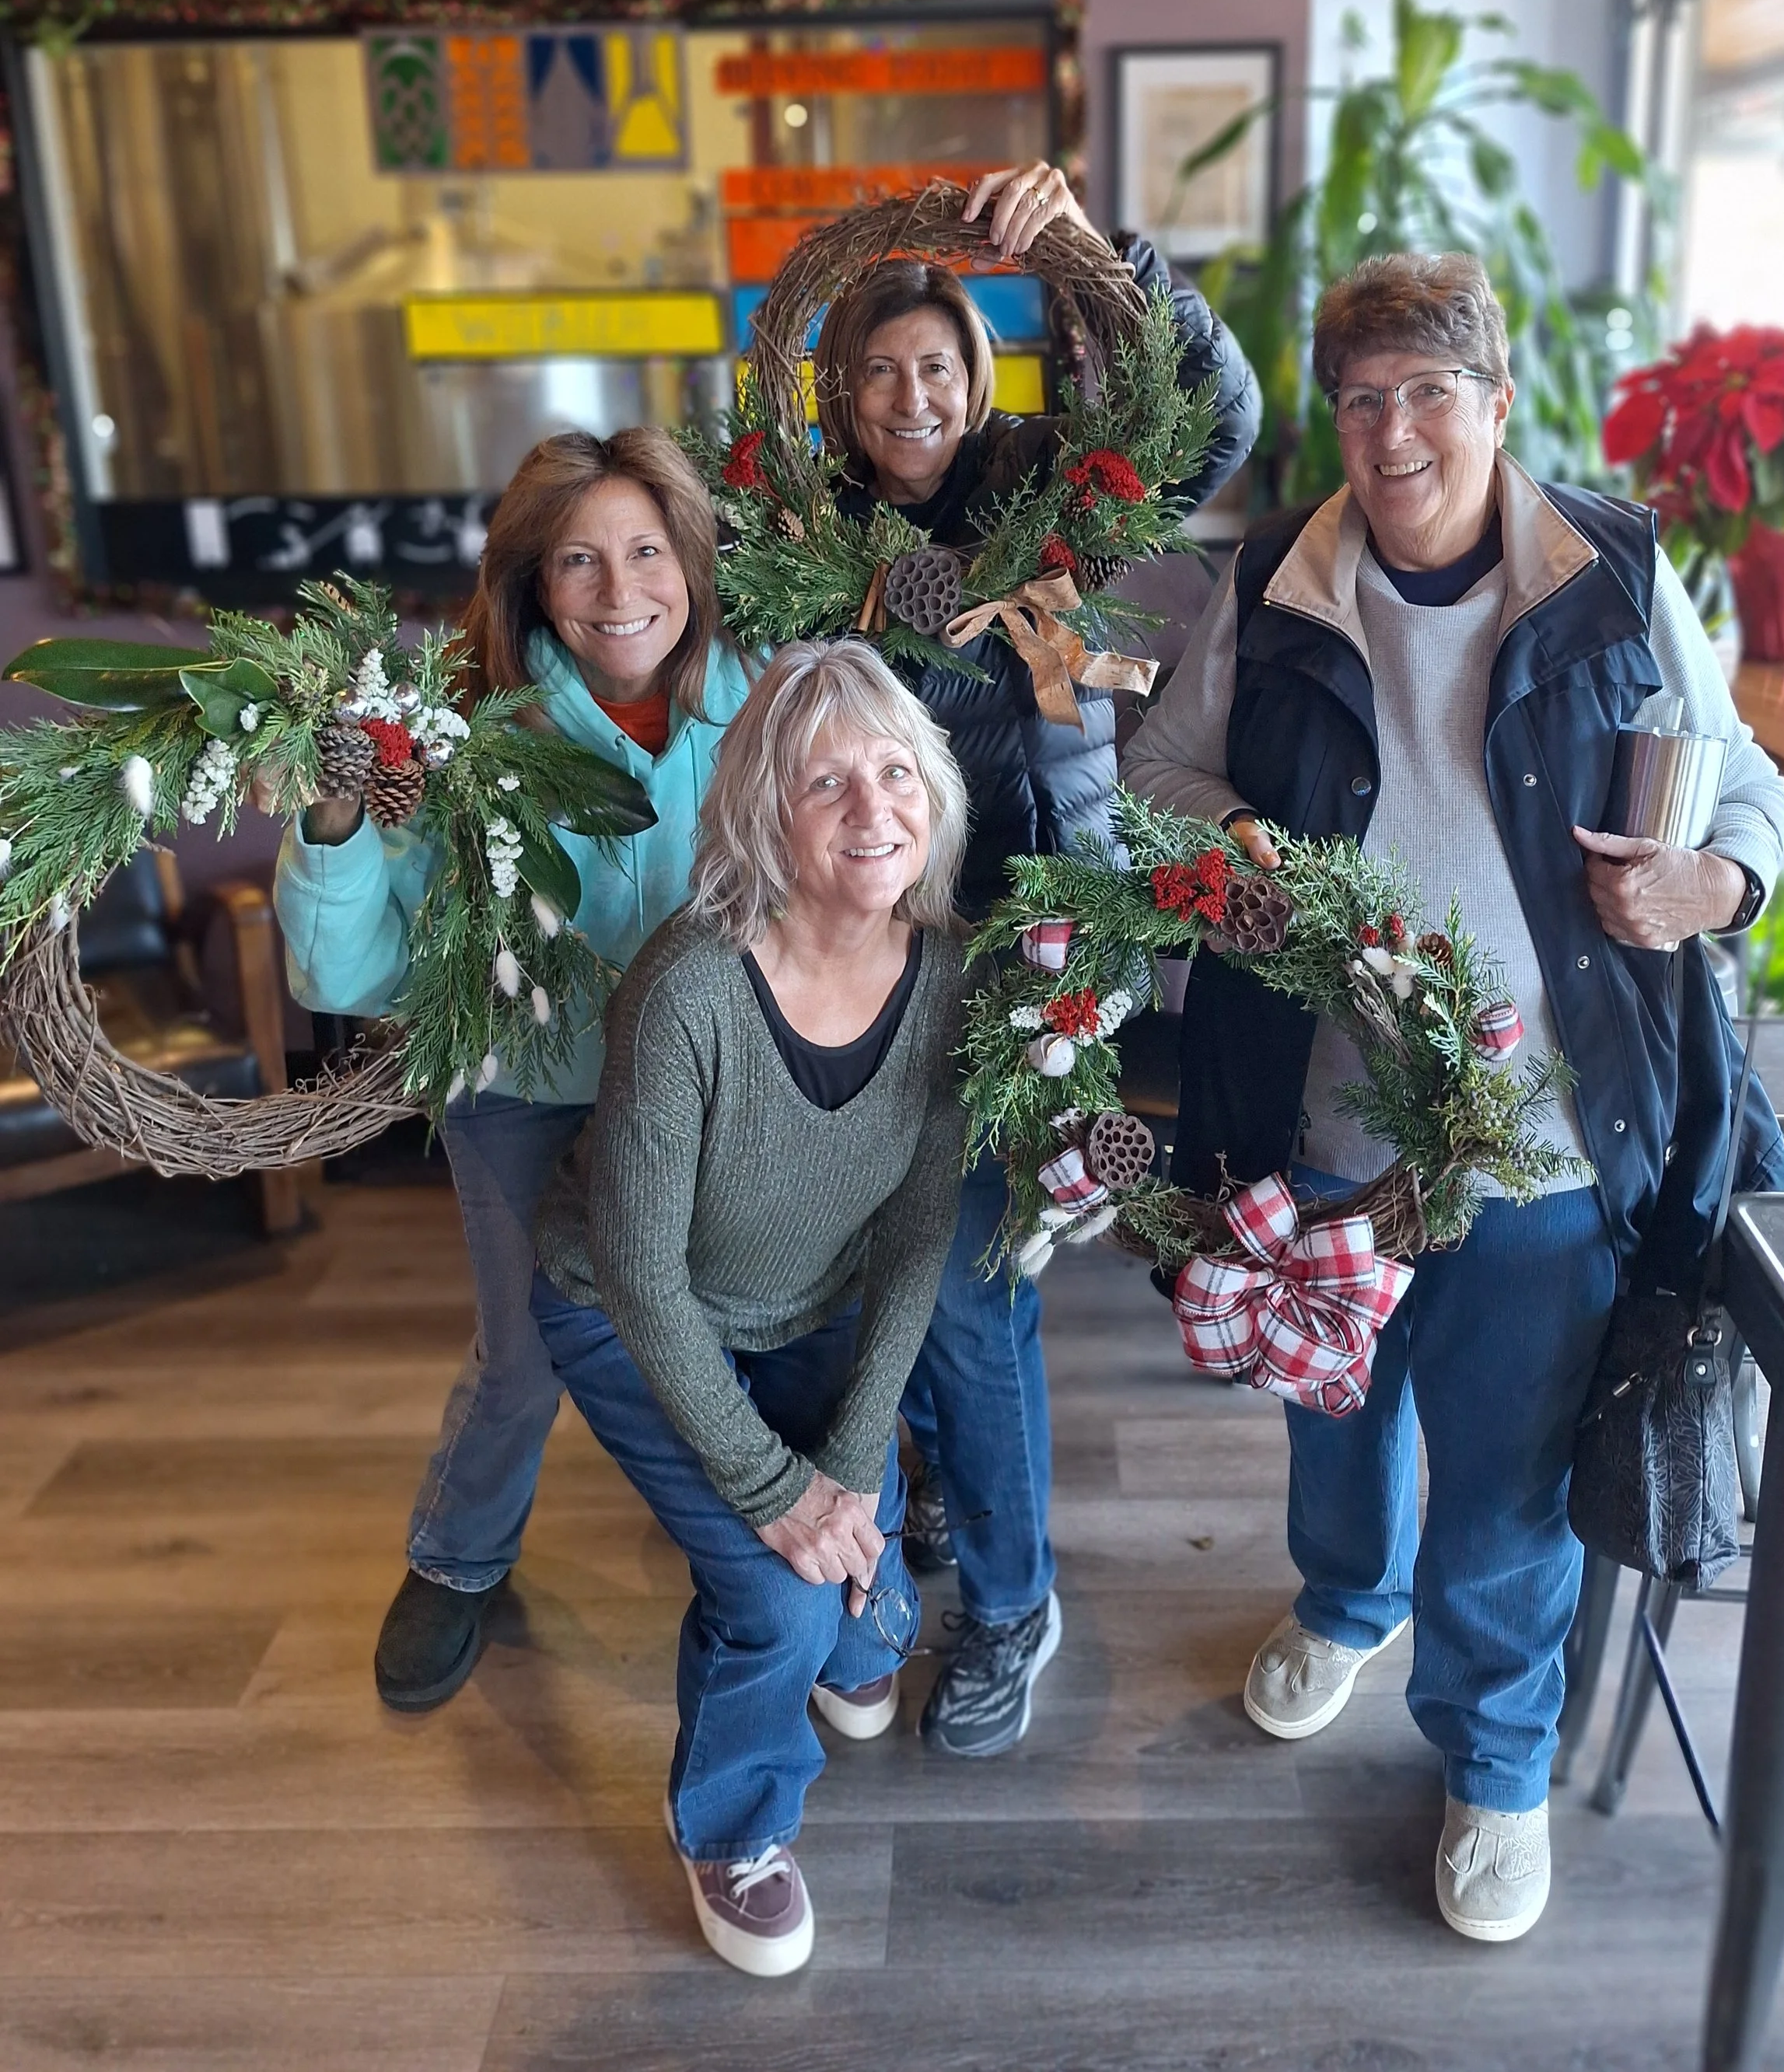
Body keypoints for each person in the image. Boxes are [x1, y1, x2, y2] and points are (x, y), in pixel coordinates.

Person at [1122, 250, 1784, 1944]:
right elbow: (1155, 773)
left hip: (1543, 1139)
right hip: (1316, 1122)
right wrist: (1238, 843)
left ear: (1496, 405)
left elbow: (1750, 791)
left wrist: (1706, 884)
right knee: (1333, 1412)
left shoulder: (1613, 573)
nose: (1393, 429)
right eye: (1360, 397)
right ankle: (1344, 1603)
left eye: (1429, 391)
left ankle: (1495, 1763)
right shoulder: (1275, 574)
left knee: (1500, 1483)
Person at [812, 159, 1261, 1756]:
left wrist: (1103, 254)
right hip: (850, 953)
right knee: (883, 1269)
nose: (907, 393)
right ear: (838, 394)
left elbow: (1212, 420)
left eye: (933, 360)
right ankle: (933, 1491)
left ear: (976, 370)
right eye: (874, 370)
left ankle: (1009, 1600)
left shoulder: (1041, 490)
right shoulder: (805, 529)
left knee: (971, 1294)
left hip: (1029, 938)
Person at [275, 430, 751, 1714]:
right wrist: (333, 822)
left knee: (740, 1319)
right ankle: (459, 1552)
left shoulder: (756, 699)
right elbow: (347, 971)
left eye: (648, 550)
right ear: (536, 584)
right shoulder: (463, 736)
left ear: (692, 562)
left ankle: (758, 1554)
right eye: (580, 560)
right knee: (527, 1349)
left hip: (715, 1091)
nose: (620, 589)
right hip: (529, 1091)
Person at [530, 641, 972, 1977]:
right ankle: (730, 1823)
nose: (874, 809)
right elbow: (646, 1275)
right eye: (826, 779)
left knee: (863, 1529)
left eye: (896, 770)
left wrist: (843, 1463)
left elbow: (915, 1236)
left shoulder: (950, 975)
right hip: (624, 1302)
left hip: (807, 1299)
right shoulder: (689, 991)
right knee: (782, 1599)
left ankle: (838, 1611)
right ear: (760, 812)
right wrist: (776, 1493)